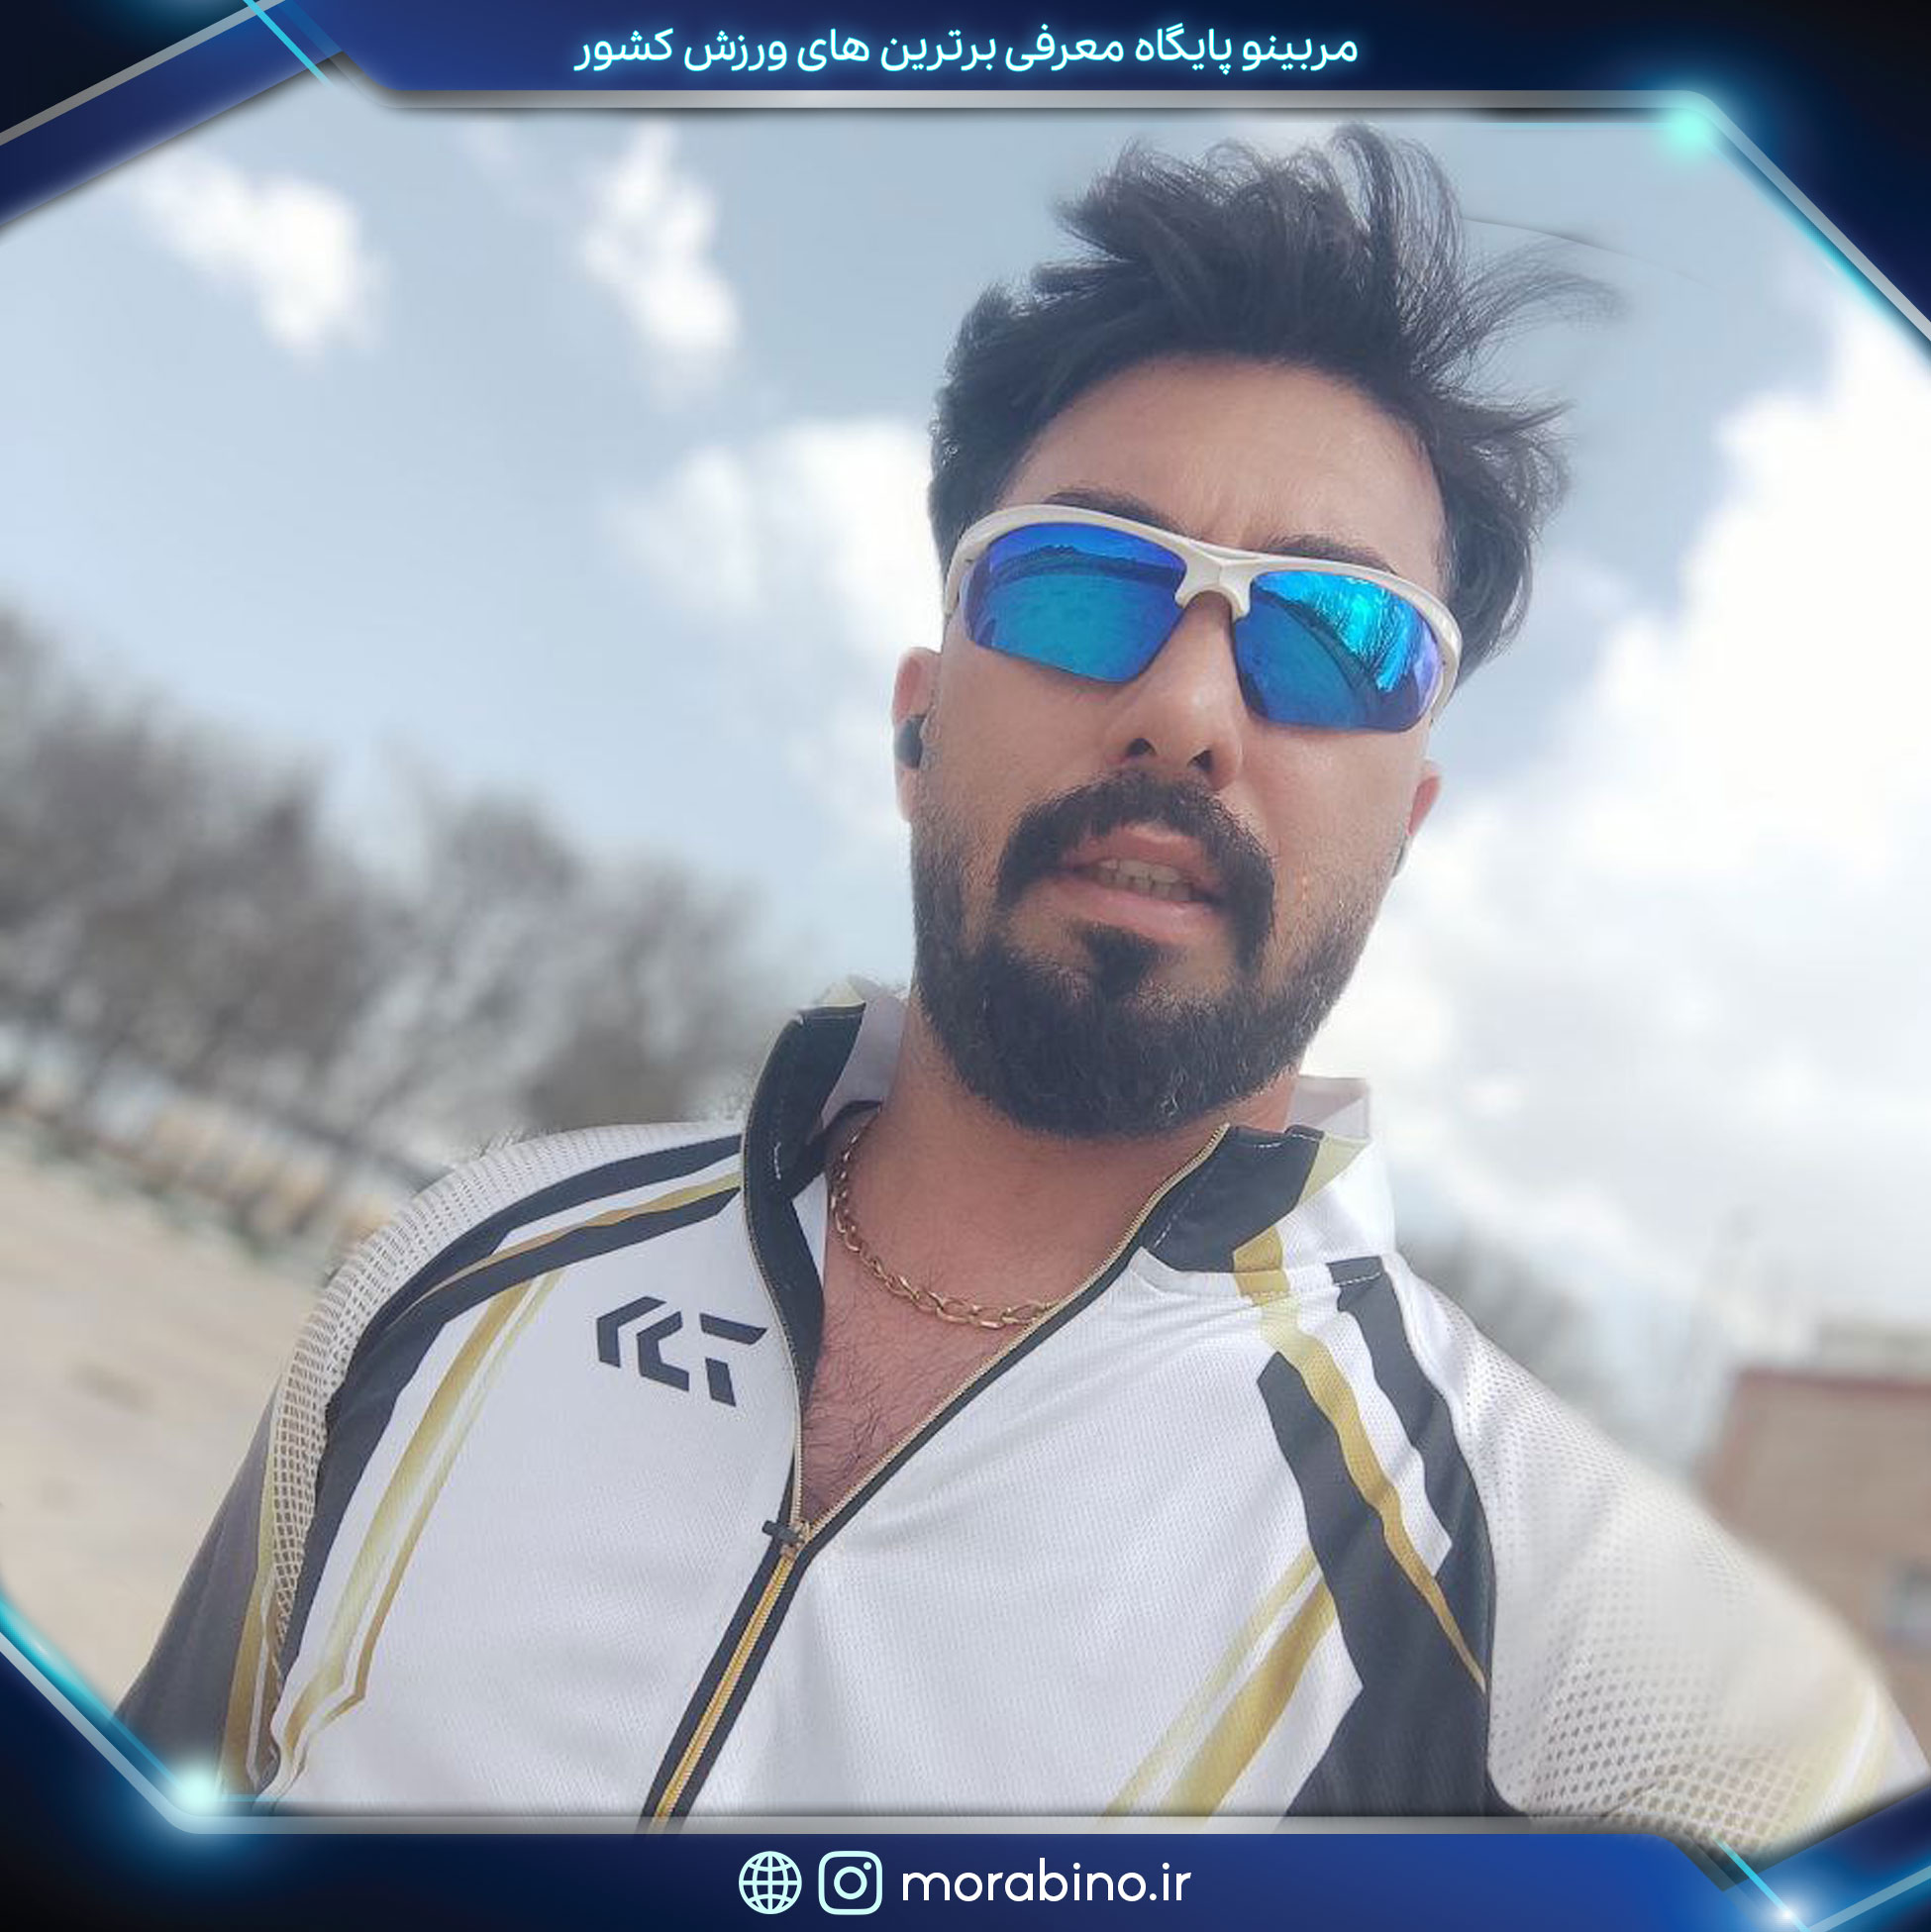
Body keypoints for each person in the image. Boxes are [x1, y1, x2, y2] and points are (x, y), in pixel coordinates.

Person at [122, 128, 1922, 1843]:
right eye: (1078, 585)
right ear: (918, 723)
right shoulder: (465, 1271)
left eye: (1334, 639)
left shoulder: (1614, 1673)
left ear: (1409, 820)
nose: (1187, 711)